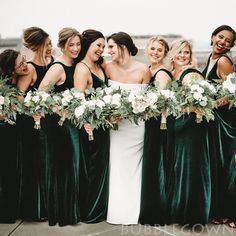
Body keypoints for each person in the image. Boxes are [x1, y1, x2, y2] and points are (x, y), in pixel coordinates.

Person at [105, 32, 151, 225]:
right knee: (116, 165)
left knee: (135, 167)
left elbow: (149, 101)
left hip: (136, 127)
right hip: (116, 127)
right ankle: (116, 211)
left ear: (123, 46)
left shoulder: (143, 70)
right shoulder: (106, 67)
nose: (108, 51)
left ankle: (134, 211)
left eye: (111, 47)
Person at [38, 27, 81, 226]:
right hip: (57, 125)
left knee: (70, 168)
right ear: (62, 46)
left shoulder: (76, 65)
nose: (75, 48)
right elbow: (40, 94)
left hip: (70, 124)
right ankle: (61, 214)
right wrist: (60, 109)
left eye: (78, 44)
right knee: (62, 168)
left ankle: (69, 211)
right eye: (70, 45)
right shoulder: (58, 67)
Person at [166, 39, 211, 226]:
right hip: (179, 127)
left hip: (191, 128)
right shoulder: (173, 74)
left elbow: (201, 103)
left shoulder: (191, 75)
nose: (183, 56)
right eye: (180, 52)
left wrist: (176, 109)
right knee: (180, 168)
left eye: (187, 52)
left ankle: (192, 215)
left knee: (190, 169)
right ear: (173, 53)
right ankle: (179, 211)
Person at [16, 26, 53, 221]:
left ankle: (48, 206)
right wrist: (34, 112)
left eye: (51, 44)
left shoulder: (52, 63)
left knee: (48, 165)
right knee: (34, 165)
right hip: (31, 124)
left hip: (49, 124)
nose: (50, 48)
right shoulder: (29, 68)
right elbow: (19, 99)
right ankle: (33, 210)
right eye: (47, 45)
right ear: (37, 46)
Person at [74, 29, 110, 223]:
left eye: (104, 46)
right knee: (92, 169)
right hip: (90, 128)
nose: (101, 49)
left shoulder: (100, 66)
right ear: (88, 44)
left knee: (101, 168)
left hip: (104, 126)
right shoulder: (82, 69)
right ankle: (90, 211)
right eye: (99, 45)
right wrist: (87, 122)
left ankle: (99, 208)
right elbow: (78, 101)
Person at [202, 25, 236, 228]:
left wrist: (210, 104)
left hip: (227, 123)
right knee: (218, 166)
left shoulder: (223, 61)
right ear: (213, 36)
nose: (222, 42)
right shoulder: (210, 57)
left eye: (228, 41)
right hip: (216, 121)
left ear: (231, 46)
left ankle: (232, 214)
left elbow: (232, 94)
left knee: (229, 167)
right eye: (220, 37)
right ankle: (221, 211)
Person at [139, 36, 172, 226]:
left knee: (155, 166)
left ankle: (156, 213)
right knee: (151, 166)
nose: (155, 52)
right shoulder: (148, 70)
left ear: (165, 53)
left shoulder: (161, 73)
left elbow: (162, 103)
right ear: (146, 50)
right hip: (149, 123)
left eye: (160, 50)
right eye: (152, 49)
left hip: (159, 125)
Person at [0, 49, 29, 223]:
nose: (25, 65)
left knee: (12, 172)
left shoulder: (16, 80)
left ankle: (10, 212)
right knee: (6, 172)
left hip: (13, 131)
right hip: (3, 130)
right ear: (11, 69)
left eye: (24, 60)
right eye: (21, 64)